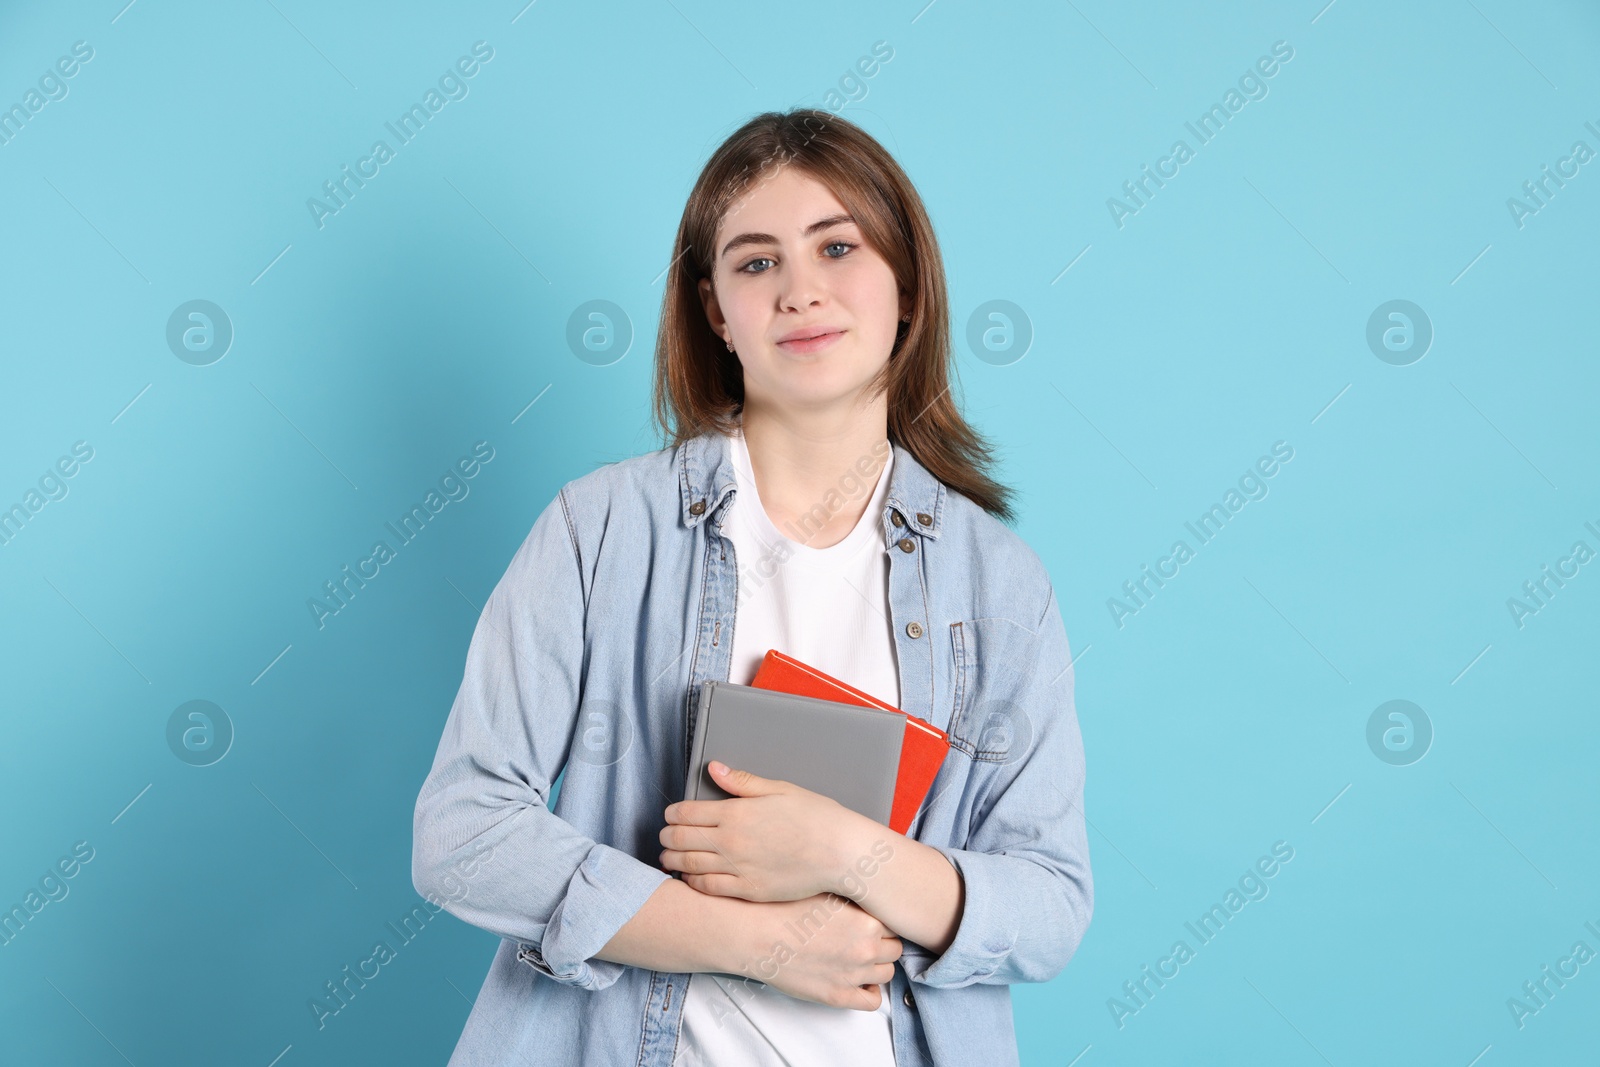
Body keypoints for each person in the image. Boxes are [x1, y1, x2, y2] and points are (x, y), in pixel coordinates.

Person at [411, 108, 1092, 1067]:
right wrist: (756, 942)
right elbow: (462, 831)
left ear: (907, 288)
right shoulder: (599, 530)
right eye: (757, 261)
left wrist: (842, 852)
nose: (801, 292)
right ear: (715, 310)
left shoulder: (1000, 585)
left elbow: (1051, 903)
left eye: (839, 247)